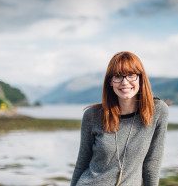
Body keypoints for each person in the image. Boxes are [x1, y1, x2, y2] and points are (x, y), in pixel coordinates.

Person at [70, 51, 169, 186]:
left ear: (140, 78)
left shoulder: (158, 111)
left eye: (131, 75)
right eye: (118, 76)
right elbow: (82, 164)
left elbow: (152, 163)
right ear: (110, 81)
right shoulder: (92, 115)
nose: (124, 82)